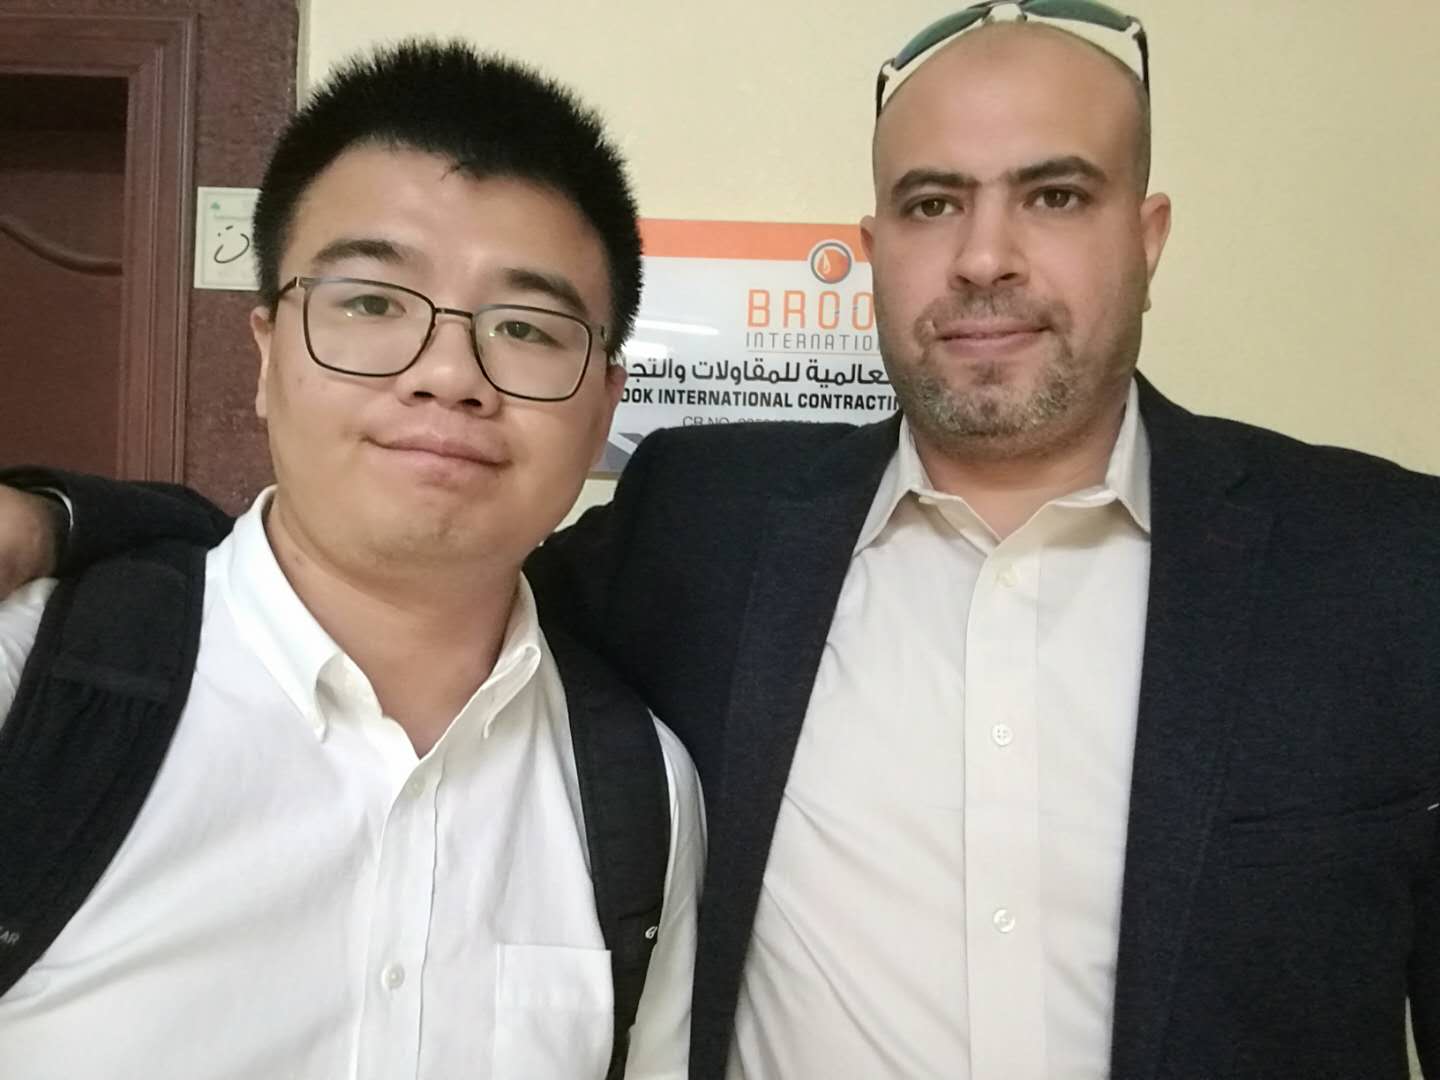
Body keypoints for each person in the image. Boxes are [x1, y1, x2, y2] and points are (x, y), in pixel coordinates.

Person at [2, 3, 1438, 1078]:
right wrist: (65, 522)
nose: (986, 256)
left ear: (1148, 234)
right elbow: (399, 547)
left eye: (1055, 196)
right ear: (873, 250)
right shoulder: (713, 521)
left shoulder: (1388, 564)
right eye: (932, 203)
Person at [0, 39, 703, 1080]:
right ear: (266, 352)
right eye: (372, 304)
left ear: (604, 405)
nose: (450, 374)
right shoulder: (31, 684)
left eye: (525, 327)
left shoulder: (643, 793)